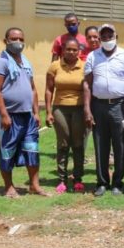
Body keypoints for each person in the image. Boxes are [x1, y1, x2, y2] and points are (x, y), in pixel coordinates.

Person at [0, 27, 45, 197]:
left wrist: (36, 113)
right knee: (7, 150)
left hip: (27, 115)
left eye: (21, 39)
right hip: (9, 115)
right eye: (14, 39)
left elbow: (33, 89)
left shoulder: (26, 62)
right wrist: (4, 115)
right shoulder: (0, 63)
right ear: (6, 41)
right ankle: (9, 187)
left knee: (32, 149)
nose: (18, 42)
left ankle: (34, 186)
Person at [83, 24, 124, 197]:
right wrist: (87, 109)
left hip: (120, 105)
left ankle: (118, 183)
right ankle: (102, 182)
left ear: (116, 37)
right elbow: (87, 84)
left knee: (121, 145)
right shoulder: (92, 56)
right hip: (98, 106)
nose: (106, 39)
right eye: (103, 36)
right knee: (100, 144)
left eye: (109, 36)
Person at [45, 38, 86, 194]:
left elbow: (88, 89)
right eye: (68, 49)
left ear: (79, 51)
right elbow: (49, 90)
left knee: (78, 144)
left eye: (74, 50)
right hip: (60, 108)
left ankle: (78, 179)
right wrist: (49, 111)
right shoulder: (55, 66)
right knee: (63, 144)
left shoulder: (84, 66)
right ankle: (62, 179)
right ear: (62, 50)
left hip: (79, 108)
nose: (71, 52)